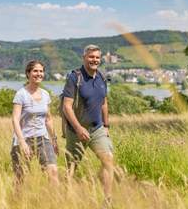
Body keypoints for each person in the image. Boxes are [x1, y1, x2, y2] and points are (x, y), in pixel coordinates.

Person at [62, 44, 114, 202]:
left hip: (97, 129)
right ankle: (65, 199)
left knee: (108, 160)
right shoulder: (74, 77)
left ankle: (107, 200)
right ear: (84, 58)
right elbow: (66, 106)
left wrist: (106, 126)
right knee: (72, 167)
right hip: (76, 131)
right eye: (91, 57)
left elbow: (104, 103)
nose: (94, 60)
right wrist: (78, 128)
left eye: (97, 57)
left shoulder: (102, 77)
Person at [11, 60, 59, 186]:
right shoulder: (21, 94)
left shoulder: (45, 94)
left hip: (43, 139)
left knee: (53, 171)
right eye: (35, 71)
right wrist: (22, 143)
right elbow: (15, 119)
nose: (39, 74)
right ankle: (16, 203)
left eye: (41, 71)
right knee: (20, 177)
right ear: (28, 73)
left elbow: (48, 119)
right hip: (24, 139)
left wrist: (54, 140)